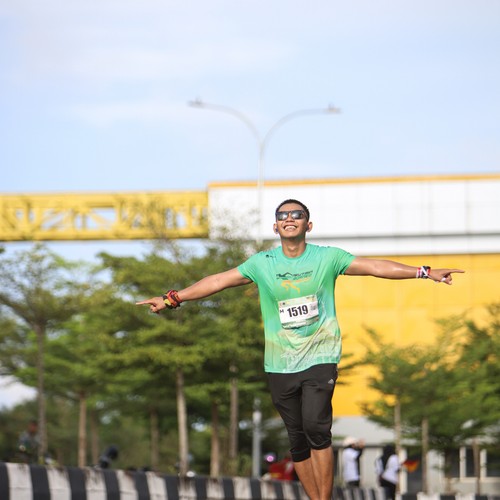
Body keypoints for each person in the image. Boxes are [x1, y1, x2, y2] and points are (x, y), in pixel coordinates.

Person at [136, 199, 464, 500]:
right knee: (296, 438)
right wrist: (171, 299)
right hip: (280, 362)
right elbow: (217, 281)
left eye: (297, 214)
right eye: (283, 215)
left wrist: (424, 272)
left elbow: (375, 267)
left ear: (309, 224)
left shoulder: (327, 258)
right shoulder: (261, 263)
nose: (289, 218)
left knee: (316, 427)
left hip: (321, 354)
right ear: (275, 226)